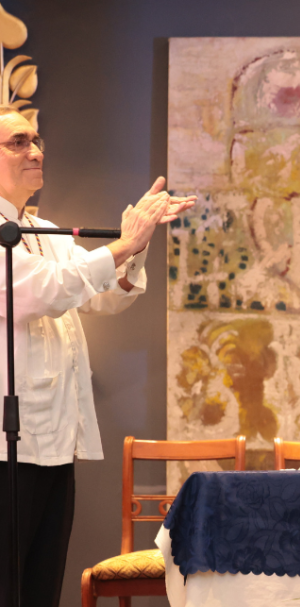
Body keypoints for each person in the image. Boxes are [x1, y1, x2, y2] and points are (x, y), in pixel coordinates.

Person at [0, 106, 196, 607]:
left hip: (53, 440)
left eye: (37, 140)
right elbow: (43, 290)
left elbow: (103, 295)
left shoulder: (40, 227)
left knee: (42, 585)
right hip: (7, 448)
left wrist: (139, 244)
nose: (36, 151)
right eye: (18, 142)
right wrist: (122, 244)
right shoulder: (7, 237)